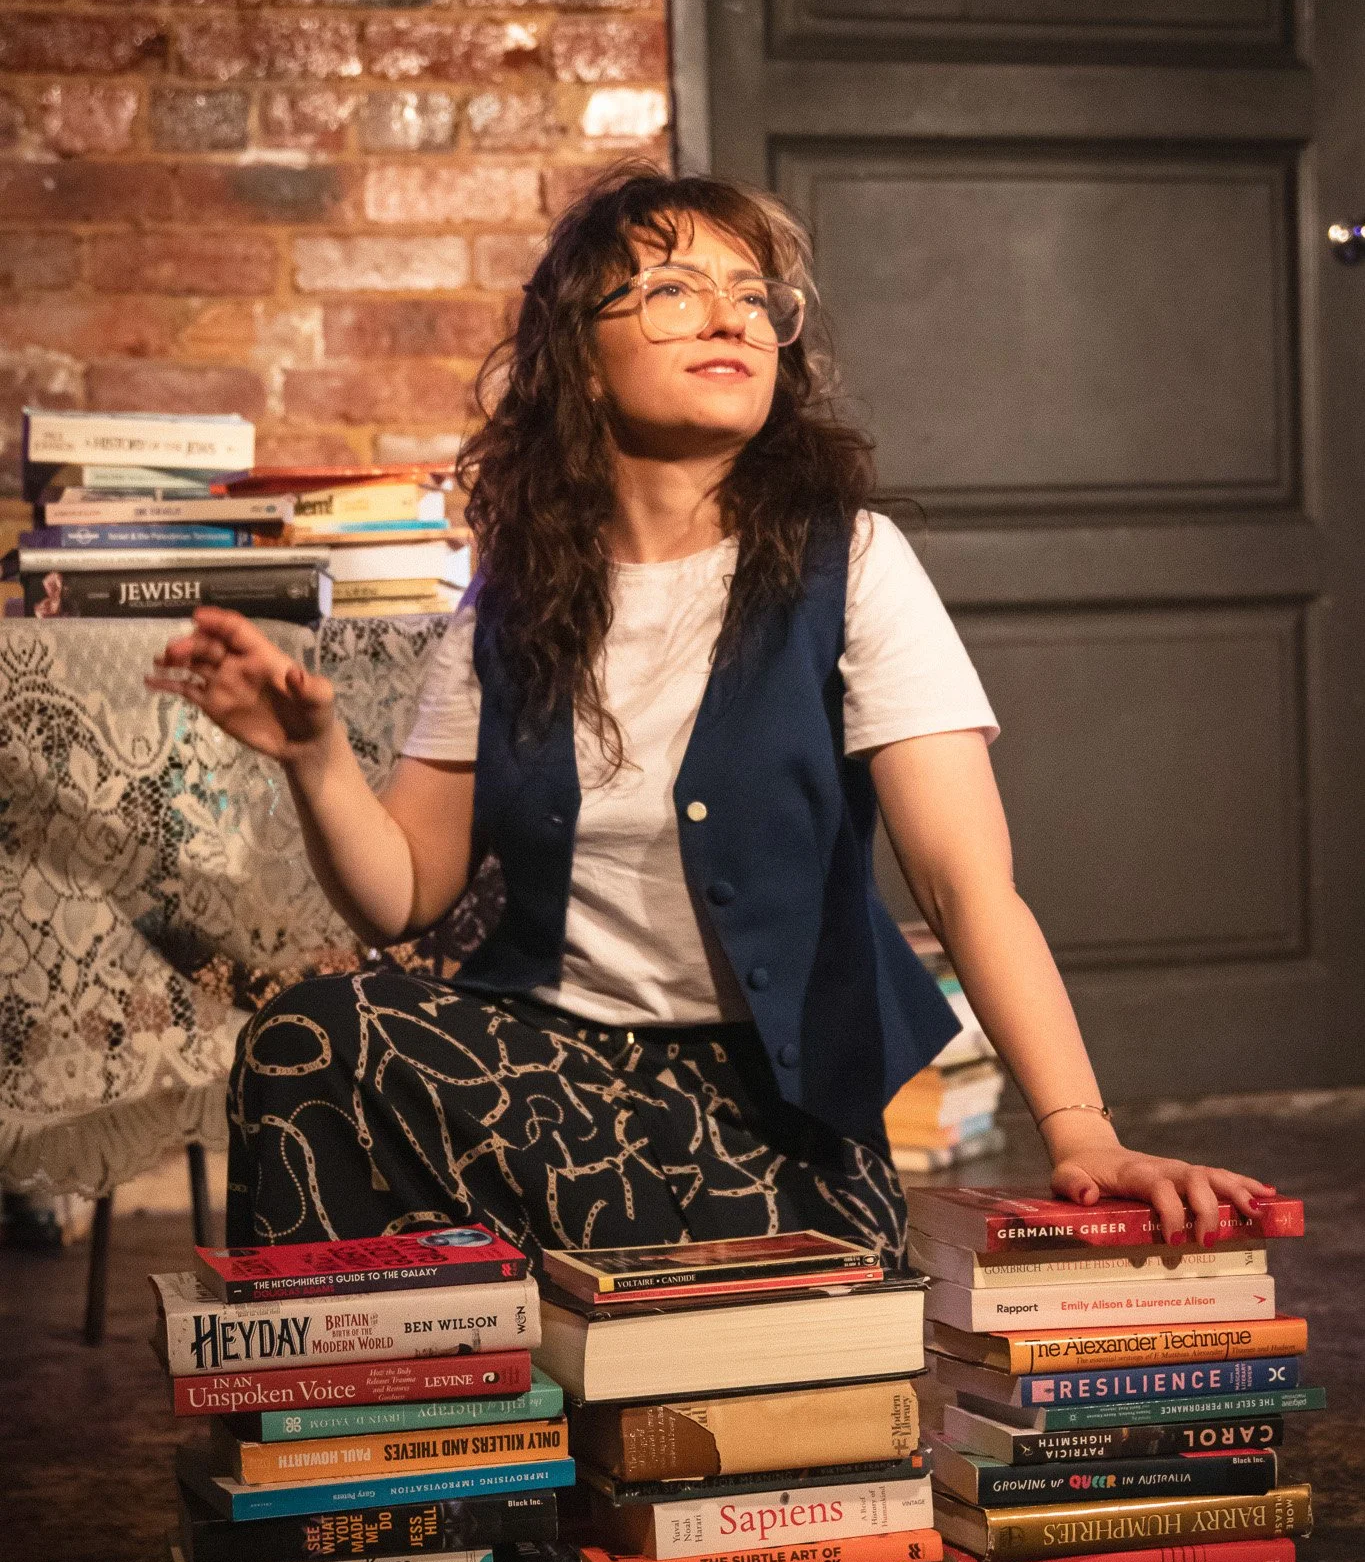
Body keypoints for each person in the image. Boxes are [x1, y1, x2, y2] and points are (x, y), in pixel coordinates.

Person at [147, 163, 1273, 1259]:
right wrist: (315, 755)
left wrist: (1083, 1132)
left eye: (753, 296)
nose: (727, 316)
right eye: (673, 289)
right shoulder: (513, 602)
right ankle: (364, 1429)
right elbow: (405, 895)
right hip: (554, 1086)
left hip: (770, 1121)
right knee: (313, 1034)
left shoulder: (854, 563)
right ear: (580, 359)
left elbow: (968, 885)